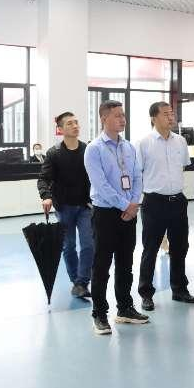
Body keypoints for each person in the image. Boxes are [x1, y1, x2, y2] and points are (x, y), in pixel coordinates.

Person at [83, 100, 149, 335]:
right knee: (101, 266)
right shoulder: (94, 149)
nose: (123, 119)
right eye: (117, 115)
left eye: (123, 115)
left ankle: (125, 309)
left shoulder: (128, 147)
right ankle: (99, 314)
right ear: (104, 118)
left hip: (129, 212)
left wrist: (134, 203)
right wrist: (126, 205)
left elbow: (137, 177)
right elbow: (100, 185)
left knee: (125, 263)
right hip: (105, 214)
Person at [136, 102, 194, 312]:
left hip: (178, 201)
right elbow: (137, 173)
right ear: (153, 118)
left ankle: (179, 289)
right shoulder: (143, 143)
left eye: (172, 113)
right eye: (165, 114)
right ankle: (146, 293)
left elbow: (183, 167)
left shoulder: (180, 141)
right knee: (151, 249)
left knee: (180, 247)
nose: (171, 117)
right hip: (154, 202)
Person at [37, 112, 93, 299]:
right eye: (70, 123)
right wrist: (46, 197)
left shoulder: (87, 150)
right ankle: (76, 281)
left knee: (88, 244)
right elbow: (43, 179)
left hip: (85, 206)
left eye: (76, 122)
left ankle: (82, 282)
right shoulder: (54, 153)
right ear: (60, 129)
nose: (75, 126)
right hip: (64, 207)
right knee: (68, 246)